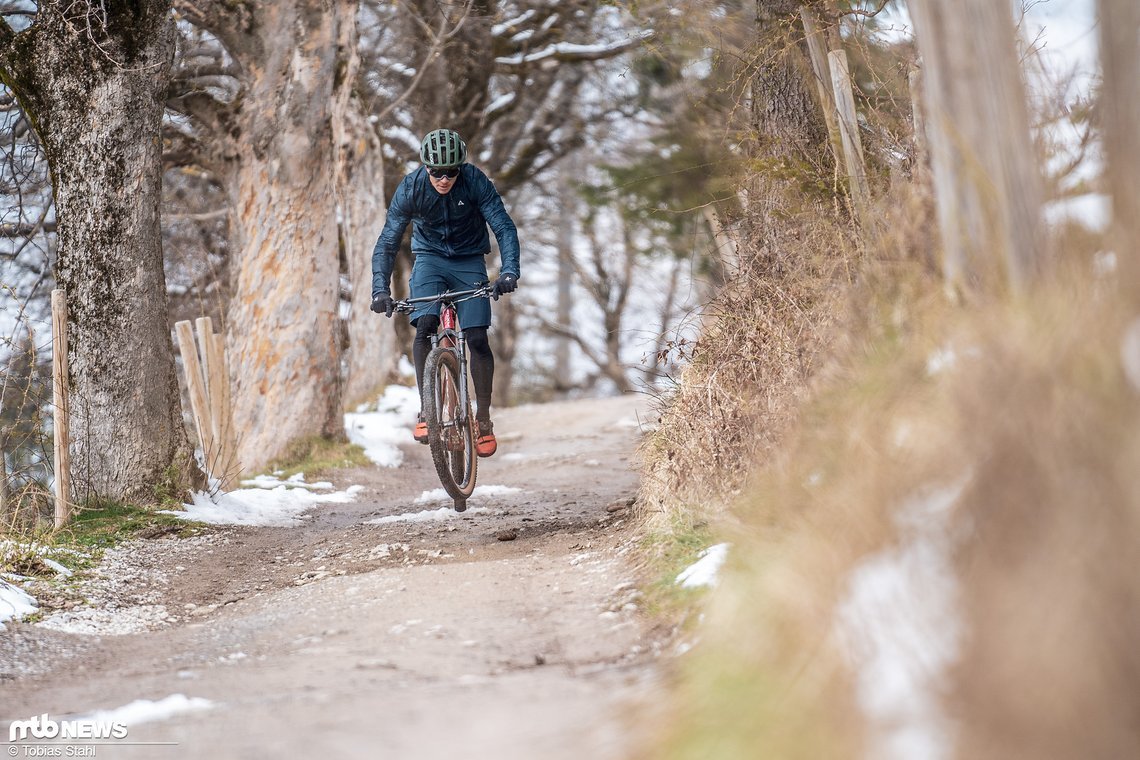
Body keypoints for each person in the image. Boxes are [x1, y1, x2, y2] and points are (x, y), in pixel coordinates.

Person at [370, 128, 520, 457]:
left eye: (451, 171)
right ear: (425, 168)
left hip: (468, 261)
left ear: (460, 168)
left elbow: (503, 226)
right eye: (437, 172)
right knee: (424, 326)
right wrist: (380, 288)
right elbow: (388, 241)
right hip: (430, 260)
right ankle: (427, 410)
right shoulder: (410, 189)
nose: (444, 179)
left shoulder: (475, 181)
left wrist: (509, 270)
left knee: (477, 335)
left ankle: (482, 420)